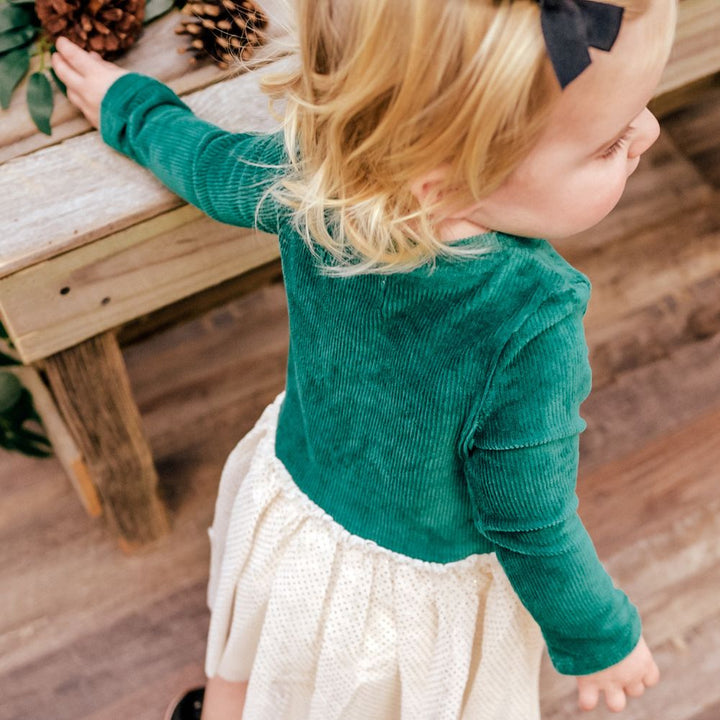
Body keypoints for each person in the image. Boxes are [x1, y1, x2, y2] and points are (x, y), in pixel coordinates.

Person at [51, 0, 677, 716]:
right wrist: (601, 638)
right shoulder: (532, 318)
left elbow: (203, 161)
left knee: (258, 656)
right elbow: (529, 519)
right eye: (609, 142)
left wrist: (125, 105)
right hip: (408, 593)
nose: (650, 133)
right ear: (443, 182)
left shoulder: (314, 183)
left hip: (294, 507)